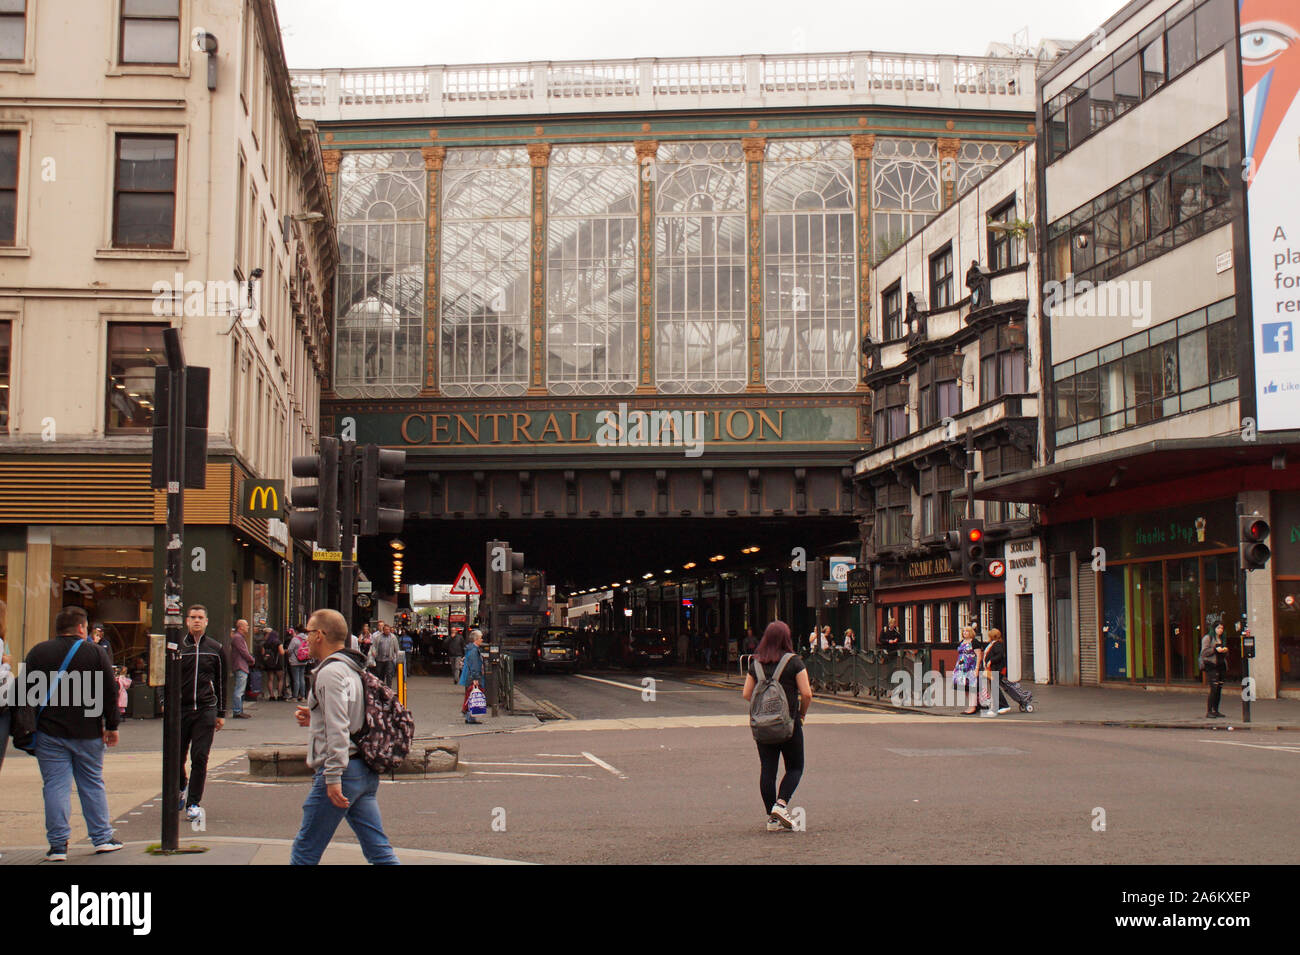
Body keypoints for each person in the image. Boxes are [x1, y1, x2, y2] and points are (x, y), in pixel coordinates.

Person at [289, 608, 400, 865]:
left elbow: (338, 727)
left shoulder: (328, 672)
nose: (305, 638)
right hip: (364, 770)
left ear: (320, 635)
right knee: (380, 852)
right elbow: (356, 715)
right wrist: (316, 715)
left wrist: (333, 776)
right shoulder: (354, 670)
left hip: (344, 770)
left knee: (305, 851)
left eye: (308, 632)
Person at [25, 606, 122, 860]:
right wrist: (112, 725)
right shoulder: (94, 653)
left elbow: (24, 693)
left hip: (49, 732)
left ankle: (58, 845)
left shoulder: (38, 652)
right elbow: (109, 691)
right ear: (81, 628)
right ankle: (101, 837)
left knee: (55, 786)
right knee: (91, 783)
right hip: (88, 730)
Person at [742, 621, 812, 832]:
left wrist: (765, 709)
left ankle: (771, 820)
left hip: (763, 726)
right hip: (789, 723)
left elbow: (746, 694)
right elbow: (807, 693)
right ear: (786, 638)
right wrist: (801, 713)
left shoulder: (755, 663)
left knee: (768, 770)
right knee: (795, 767)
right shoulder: (794, 662)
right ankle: (781, 804)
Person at [178, 605, 226, 820]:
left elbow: (221, 681)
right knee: (176, 757)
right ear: (187, 621)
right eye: (193, 617)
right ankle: (181, 786)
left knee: (199, 757)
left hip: (206, 709)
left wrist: (221, 712)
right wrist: (164, 700)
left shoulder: (216, 648)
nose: (196, 621)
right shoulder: (177, 647)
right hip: (181, 710)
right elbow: (165, 677)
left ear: (206, 621)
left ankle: (193, 803)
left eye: (200, 618)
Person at [1201, 622, 1229, 718]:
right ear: (1214, 629)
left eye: (1222, 628)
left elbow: (1225, 655)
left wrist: (1225, 650)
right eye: (1218, 628)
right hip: (1211, 665)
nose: (1220, 630)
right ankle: (1209, 711)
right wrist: (1215, 649)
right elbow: (1204, 652)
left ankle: (1216, 710)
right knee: (1214, 687)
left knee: (1219, 688)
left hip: (1221, 664)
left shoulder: (1222, 639)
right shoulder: (1208, 638)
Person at [228, 619, 255, 718]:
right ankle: (237, 711)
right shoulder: (238, 638)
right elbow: (243, 651)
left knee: (241, 689)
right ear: (241, 627)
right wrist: (251, 659)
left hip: (242, 665)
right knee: (239, 690)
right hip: (240, 666)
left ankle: (239, 710)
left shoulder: (239, 637)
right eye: (246, 625)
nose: (248, 627)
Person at [981, 628, 1011, 715]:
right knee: (994, 688)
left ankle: (1003, 705)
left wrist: (991, 661)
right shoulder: (993, 644)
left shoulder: (997, 644)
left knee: (995, 688)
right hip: (992, 669)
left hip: (995, 669)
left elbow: (999, 655)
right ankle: (997, 707)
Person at [459, 630, 485, 723]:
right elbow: (474, 666)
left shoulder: (470, 649)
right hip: (471, 677)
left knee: (470, 695)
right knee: (473, 696)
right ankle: (470, 717)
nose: (482, 640)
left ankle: (468, 716)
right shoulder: (474, 651)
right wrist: (475, 678)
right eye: (481, 638)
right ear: (476, 639)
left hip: (468, 676)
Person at [954, 626, 980, 715]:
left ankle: (973, 706)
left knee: (971, 687)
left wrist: (977, 669)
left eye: (967, 631)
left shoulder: (974, 642)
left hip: (971, 667)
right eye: (963, 631)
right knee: (965, 687)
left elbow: (979, 655)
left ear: (971, 632)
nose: (965, 633)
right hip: (961, 667)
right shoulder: (962, 642)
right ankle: (970, 705)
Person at [371, 623, 399, 689]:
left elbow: (396, 648)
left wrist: (396, 657)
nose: (387, 631)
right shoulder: (378, 637)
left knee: (389, 675)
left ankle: (389, 689)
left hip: (389, 659)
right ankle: (381, 689)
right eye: (386, 629)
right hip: (379, 659)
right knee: (380, 675)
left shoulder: (393, 637)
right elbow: (374, 647)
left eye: (388, 629)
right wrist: (374, 653)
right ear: (383, 630)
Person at [261, 628, 286, 701]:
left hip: (269, 663)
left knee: (270, 679)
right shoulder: (278, 642)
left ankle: (271, 695)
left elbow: (262, 653)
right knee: (280, 679)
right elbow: (282, 652)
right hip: (277, 662)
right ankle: (279, 695)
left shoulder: (265, 643)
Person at [287, 628, 311, 702]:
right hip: (304, 660)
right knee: (302, 678)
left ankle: (295, 697)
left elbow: (290, 650)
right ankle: (303, 696)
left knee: (296, 679)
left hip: (295, 661)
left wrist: (289, 656)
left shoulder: (295, 639)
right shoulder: (307, 639)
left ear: (297, 632)